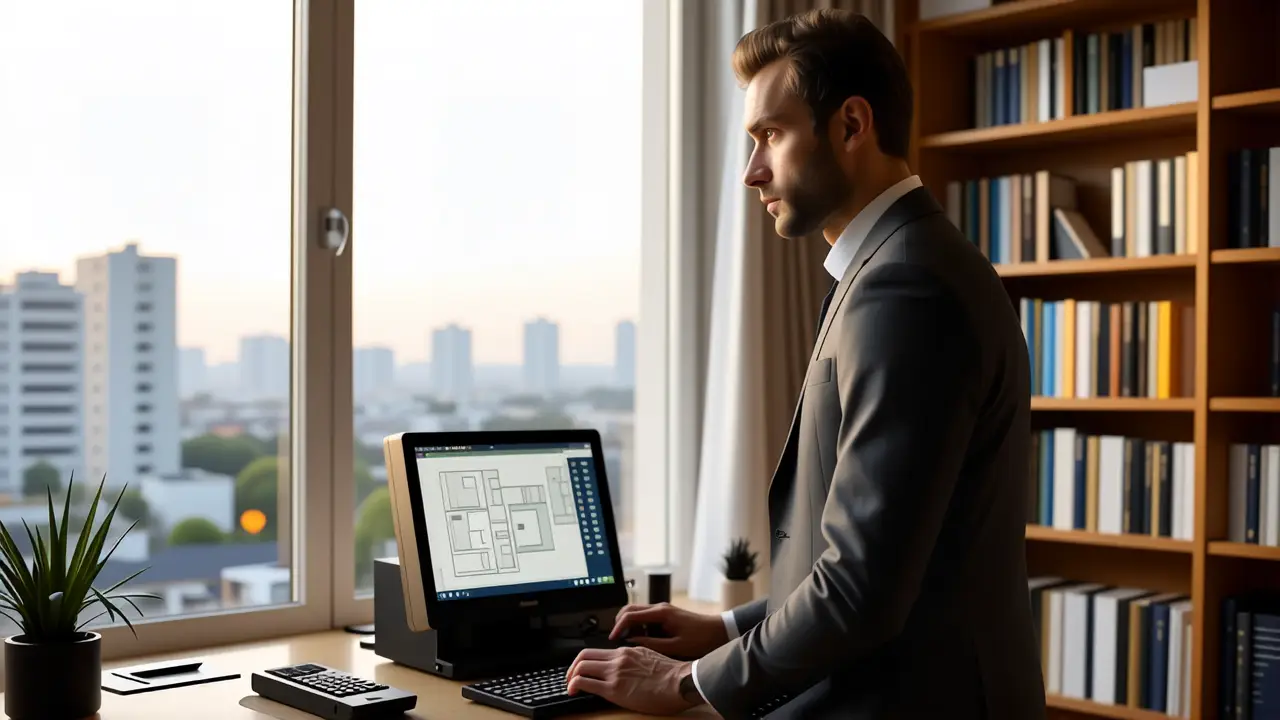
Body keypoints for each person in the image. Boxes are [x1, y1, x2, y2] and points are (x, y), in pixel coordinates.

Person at [565, 8, 1046, 718]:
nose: (751, 171)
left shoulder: (905, 288)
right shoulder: (896, 267)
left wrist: (685, 681)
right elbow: (885, 558)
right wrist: (725, 628)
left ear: (852, 126)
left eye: (771, 134)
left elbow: (861, 589)